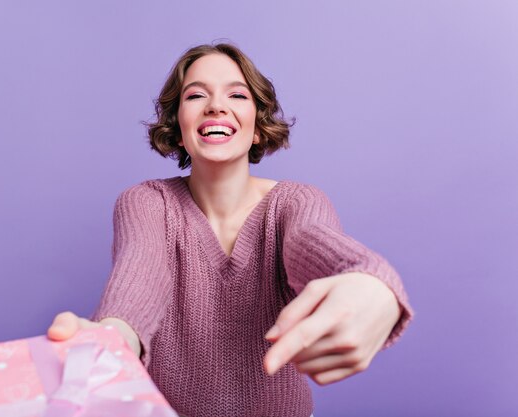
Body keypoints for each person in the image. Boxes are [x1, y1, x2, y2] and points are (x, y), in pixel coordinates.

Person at [47, 43, 413, 417]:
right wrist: (111, 337)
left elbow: (319, 243)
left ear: (257, 128)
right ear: (177, 129)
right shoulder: (146, 202)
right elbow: (141, 274)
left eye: (236, 94)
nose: (216, 105)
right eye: (196, 95)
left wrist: (373, 284)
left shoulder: (295, 202)